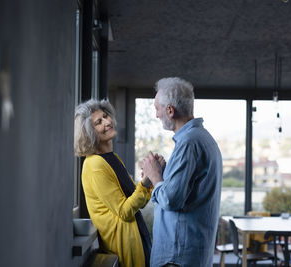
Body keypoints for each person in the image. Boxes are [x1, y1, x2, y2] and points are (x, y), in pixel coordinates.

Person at [141, 77, 223, 267]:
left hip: (177, 258)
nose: (156, 115)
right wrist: (163, 173)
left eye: (157, 109)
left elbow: (171, 199)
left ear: (170, 110)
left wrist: (155, 176)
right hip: (190, 255)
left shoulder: (188, 143)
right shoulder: (203, 139)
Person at [74, 99, 153, 267]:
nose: (107, 121)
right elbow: (125, 211)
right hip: (125, 247)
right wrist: (145, 183)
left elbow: (139, 202)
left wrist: (150, 177)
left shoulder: (113, 159)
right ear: (90, 133)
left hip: (139, 237)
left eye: (105, 116)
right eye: (98, 122)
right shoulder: (94, 165)